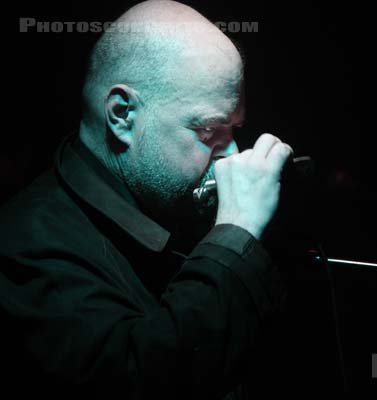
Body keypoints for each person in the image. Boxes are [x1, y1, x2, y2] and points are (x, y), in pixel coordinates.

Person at [0, 1, 293, 398]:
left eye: (234, 129)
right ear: (122, 115)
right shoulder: (26, 247)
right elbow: (139, 379)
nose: (232, 154)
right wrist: (235, 235)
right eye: (208, 131)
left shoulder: (169, 204)